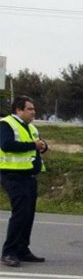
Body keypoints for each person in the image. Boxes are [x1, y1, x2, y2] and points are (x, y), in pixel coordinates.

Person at [0, 96, 49, 267]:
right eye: (29, 109)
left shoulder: (31, 127)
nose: (33, 112)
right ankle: (9, 252)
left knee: (28, 215)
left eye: (34, 109)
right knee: (20, 214)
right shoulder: (6, 124)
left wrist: (43, 146)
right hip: (13, 175)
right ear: (18, 110)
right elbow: (6, 145)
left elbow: (37, 143)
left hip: (29, 177)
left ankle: (22, 249)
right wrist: (33, 145)